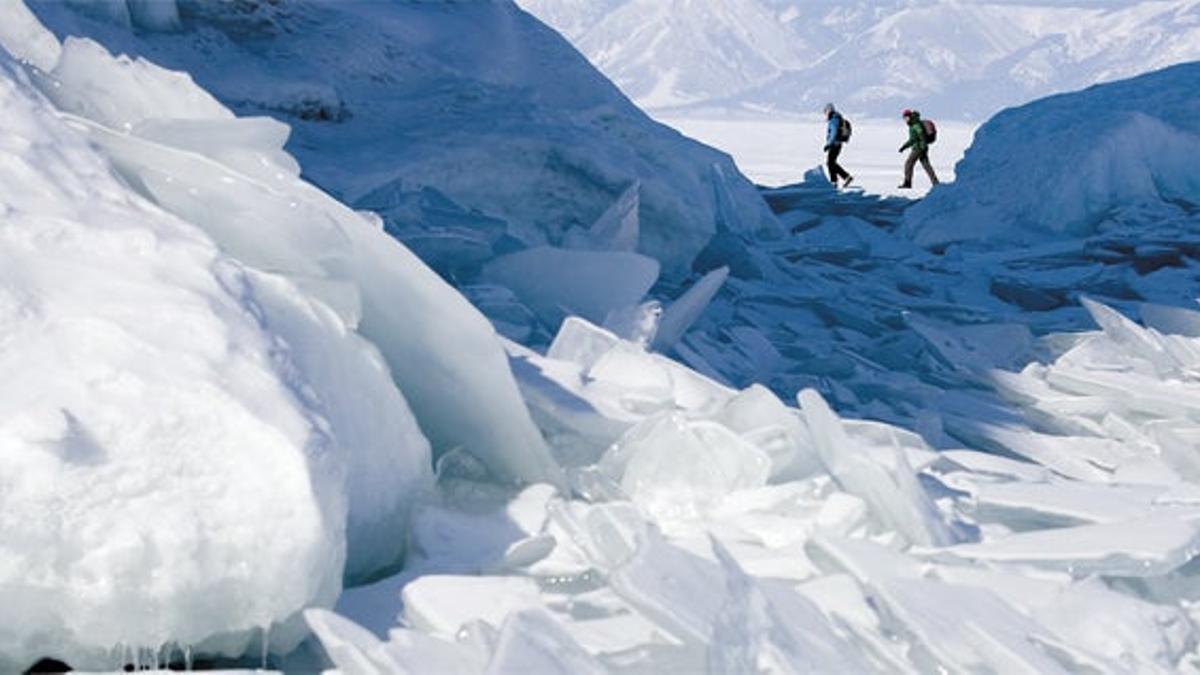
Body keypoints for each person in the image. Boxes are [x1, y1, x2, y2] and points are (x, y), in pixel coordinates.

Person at [898, 109, 939, 189]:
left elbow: (919, 136)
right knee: (926, 165)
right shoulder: (914, 124)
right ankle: (936, 183)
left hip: (918, 148)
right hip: (922, 147)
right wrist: (904, 147)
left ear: (910, 116)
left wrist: (905, 146)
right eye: (904, 118)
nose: (905, 119)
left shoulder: (915, 125)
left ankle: (907, 183)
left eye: (906, 117)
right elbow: (914, 138)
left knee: (908, 164)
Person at [823, 103, 852, 188]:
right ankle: (843, 178)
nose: (825, 114)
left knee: (830, 163)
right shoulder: (837, 118)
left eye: (826, 112)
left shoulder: (834, 119)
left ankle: (836, 180)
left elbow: (833, 132)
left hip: (835, 144)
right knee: (831, 163)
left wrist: (828, 144)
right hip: (837, 143)